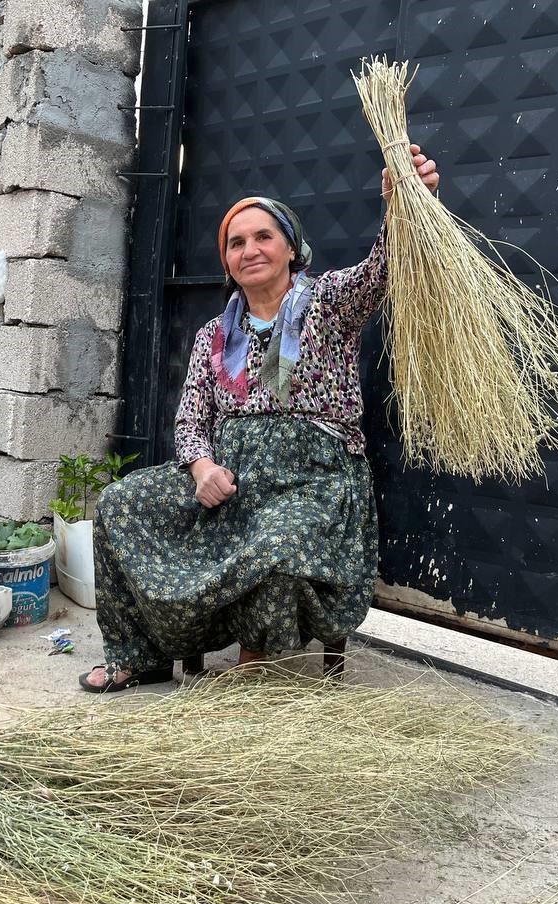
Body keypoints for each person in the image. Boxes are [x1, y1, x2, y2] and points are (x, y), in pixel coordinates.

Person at [80, 145, 441, 693]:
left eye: (263, 236)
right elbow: (191, 420)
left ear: (292, 249)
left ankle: (253, 666)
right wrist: (201, 468)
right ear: (226, 261)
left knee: (278, 539)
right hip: (233, 479)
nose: (250, 250)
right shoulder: (214, 336)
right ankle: (142, 651)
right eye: (236, 242)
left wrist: (405, 204)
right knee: (119, 503)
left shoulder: (329, 303)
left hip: (312, 480)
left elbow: (383, 270)